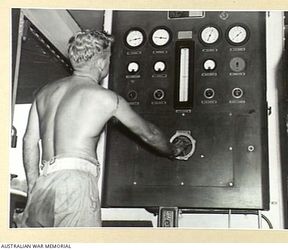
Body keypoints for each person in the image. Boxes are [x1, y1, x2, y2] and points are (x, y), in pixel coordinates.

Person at [19, 30, 188, 227]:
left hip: (43, 184)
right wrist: (172, 150)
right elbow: (149, 134)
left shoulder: (43, 94)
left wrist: (33, 185)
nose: (108, 63)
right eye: (108, 59)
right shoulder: (106, 98)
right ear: (100, 63)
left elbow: (29, 141)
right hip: (75, 183)